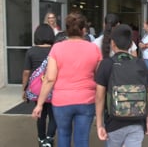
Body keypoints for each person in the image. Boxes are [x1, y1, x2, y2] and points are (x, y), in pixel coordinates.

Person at [32, 12, 102, 146]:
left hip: (62, 101)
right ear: (84, 30)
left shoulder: (57, 48)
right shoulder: (94, 49)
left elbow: (50, 78)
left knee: (63, 135)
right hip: (86, 100)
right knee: (82, 139)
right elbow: (99, 78)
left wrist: (40, 104)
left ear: (66, 30)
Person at [95, 24, 148, 147]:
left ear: (113, 44)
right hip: (137, 122)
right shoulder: (141, 64)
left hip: (114, 123)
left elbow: (99, 97)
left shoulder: (106, 64)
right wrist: (147, 119)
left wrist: (100, 125)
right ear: (131, 44)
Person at [22, 24, 56, 147]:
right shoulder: (55, 50)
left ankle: (41, 139)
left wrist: (24, 89)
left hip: (37, 90)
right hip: (52, 87)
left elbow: (26, 72)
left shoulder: (31, 51)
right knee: (53, 115)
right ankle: (49, 138)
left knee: (40, 114)